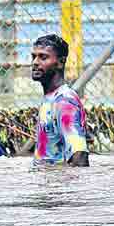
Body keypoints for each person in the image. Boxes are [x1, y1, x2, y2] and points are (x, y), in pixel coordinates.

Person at [30, 33, 90, 167]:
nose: (35, 63)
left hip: (57, 184)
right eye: (33, 57)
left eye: (43, 57)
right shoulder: (50, 98)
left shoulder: (64, 102)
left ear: (60, 62)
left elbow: (79, 155)